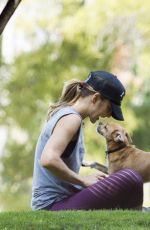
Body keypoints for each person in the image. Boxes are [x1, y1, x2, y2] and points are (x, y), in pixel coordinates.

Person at [31, 70, 143, 211]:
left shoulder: (69, 116)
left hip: (63, 199)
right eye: (109, 109)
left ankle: (134, 214)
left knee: (125, 179)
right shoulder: (72, 118)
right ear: (95, 98)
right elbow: (48, 159)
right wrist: (83, 180)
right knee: (131, 177)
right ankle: (138, 213)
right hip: (52, 205)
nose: (108, 115)